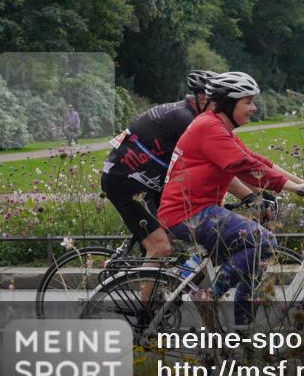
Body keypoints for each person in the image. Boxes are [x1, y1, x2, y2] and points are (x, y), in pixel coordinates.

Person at [158, 71, 304, 326]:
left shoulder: (220, 129)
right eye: (248, 102)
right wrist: (293, 189)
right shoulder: (209, 128)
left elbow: (259, 162)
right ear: (229, 103)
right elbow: (246, 168)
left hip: (199, 210)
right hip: (188, 213)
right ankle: (210, 296)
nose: (253, 108)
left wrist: (302, 183)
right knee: (263, 241)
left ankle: (242, 335)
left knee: (253, 265)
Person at [101, 70, 256, 266]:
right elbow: (225, 164)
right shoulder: (187, 120)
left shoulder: (201, 119)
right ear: (201, 99)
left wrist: (261, 190)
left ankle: (168, 284)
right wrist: (249, 197)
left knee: (186, 227)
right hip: (124, 184)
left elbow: (239, 161)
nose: (220, 108)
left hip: (152, 183)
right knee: (160, 247)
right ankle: (149, 296)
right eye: (217, 103)